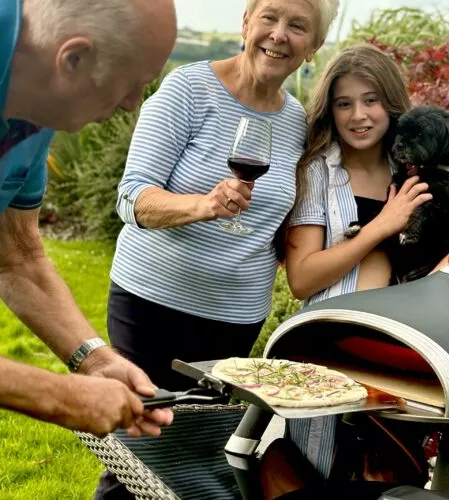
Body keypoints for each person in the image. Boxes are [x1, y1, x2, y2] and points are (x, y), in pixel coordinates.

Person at [94, 0, 341, 497]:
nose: (279, 34)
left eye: (298, 26)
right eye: (269, 17)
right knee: (138, 454)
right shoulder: (188, 89)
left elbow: (286, 218)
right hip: (152, 303)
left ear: (313, 48)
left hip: (234, 318)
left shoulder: (298, 124)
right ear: (246, 22)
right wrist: (202, 206)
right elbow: (132, 196)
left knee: (197, 455)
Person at [0, 0, 177, 440]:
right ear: (72, 58)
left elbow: (14, 257)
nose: (131, 106)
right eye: (132, 85)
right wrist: (57, 396)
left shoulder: (38, 93)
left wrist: (95, 359)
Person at [261, 44, 449, 499]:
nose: (358, 115)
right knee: (321, 469)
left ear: (392, 106)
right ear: (331, 110)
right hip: (334, 346)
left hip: (408, 349)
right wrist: (380, 228)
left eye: (371, 100)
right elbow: (302, 278)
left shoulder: (419, 168)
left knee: (390, 469)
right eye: (344, 103)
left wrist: (425, 301)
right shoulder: (317, 174)